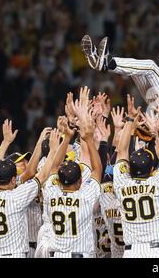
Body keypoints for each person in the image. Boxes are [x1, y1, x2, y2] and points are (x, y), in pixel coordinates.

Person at [113, 94, 159, 258]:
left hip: (131, 252)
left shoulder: (122, 183)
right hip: (157, 251)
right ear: (152, 168)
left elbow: (121, 151)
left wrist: (130, 120)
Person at [0, 120, 51, 258]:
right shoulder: (16, 195)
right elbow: (38, 176)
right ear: (12, 179)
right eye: (20, 163)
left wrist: (5, 142)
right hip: (14, 252)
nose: (25, 164)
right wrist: (52, 150)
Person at [43, 108, 103, 258]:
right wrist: (89, 140)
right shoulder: (85, 196)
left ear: (59, 180)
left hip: (56, 254)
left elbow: (54, 167)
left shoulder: (51, 192)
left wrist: (67, 138)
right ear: (81, 180)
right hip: (79, 254)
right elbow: (97, 169)